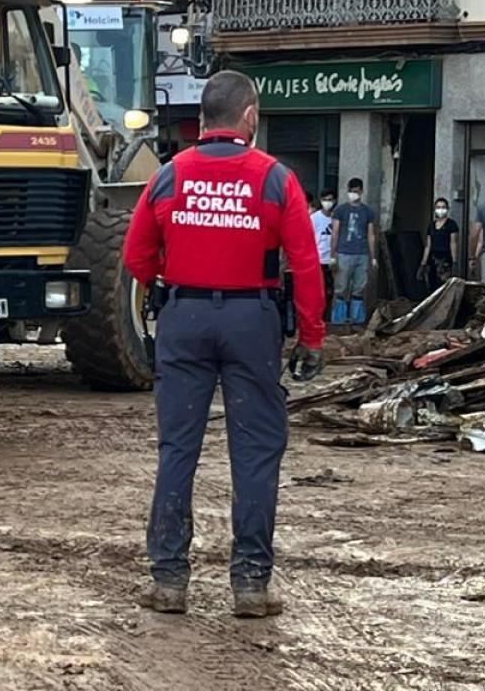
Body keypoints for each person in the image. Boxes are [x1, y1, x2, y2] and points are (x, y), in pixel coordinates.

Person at [123, 71, 326, 620]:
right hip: (251, 321)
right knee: (256, 452)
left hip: (183, 318)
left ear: (203, 118)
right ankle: (250, 585)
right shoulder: (275, 180)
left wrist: (175, 276)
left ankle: (169, 581)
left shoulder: (168, 177)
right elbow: (305, 265)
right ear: (250, 117)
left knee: (178, 449)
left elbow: (136, 257)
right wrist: (311, 337)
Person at [329, 178, 377, 328]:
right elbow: (335, 232)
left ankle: (357, 320)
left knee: (359, 288)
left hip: (362, 253)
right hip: (344, 253)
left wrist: (373, 256)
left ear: (361, 192)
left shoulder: (367, 211)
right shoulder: (340, 210)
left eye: (356, 191)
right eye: (351, 191)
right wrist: (333, 254)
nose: (353, 194)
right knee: (341, 288)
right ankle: (338, 321)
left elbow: (371, 234)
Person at [423, 198, 460, 293]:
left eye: (443, 207)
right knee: (432, 286)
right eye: (438, 207)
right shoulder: (431, 225)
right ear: (435, 209)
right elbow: (428, 245)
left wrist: (454, 262)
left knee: (444, 287)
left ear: (447, 209)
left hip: (445, 259)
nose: (441, 209)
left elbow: (453, 243)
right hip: (433, 260)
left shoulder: (451, 225)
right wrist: (423, 263)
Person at [309, 191, 337, 303]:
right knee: (319, 292)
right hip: (318, 259)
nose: (327, 203)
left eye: (330, 199)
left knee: (332, 292)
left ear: (334, 201)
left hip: (332, 260)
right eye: (325, 200)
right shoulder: (314, 218)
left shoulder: (337, 218)